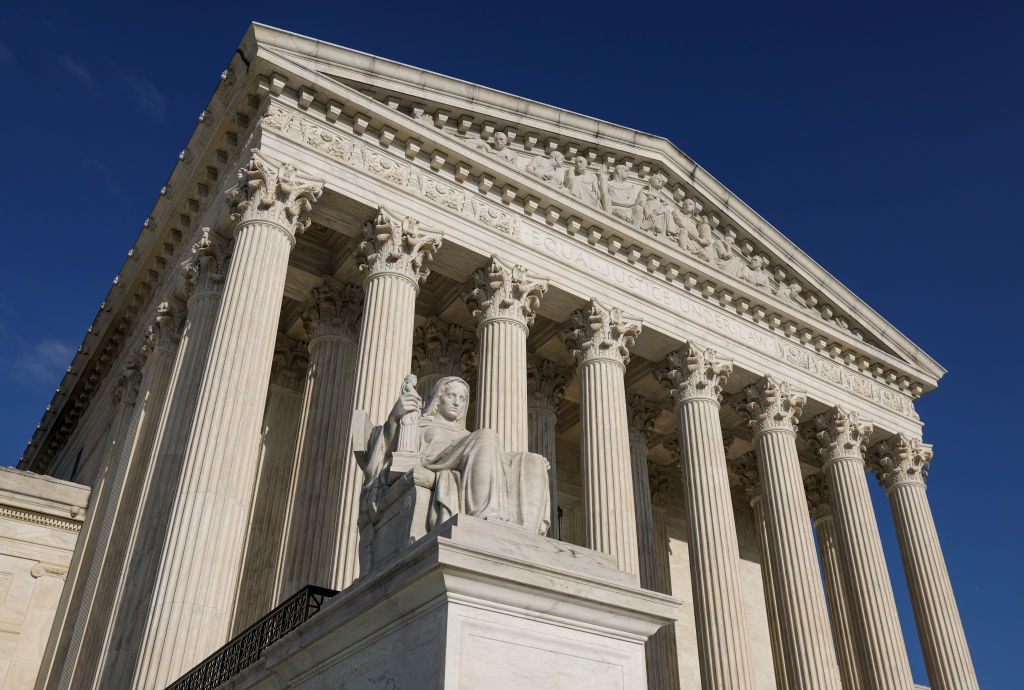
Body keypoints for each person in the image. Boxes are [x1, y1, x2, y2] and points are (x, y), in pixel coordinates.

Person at [364, 376, 551, 535]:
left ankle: (525, 535)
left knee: (532, 461)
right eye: (452, 396)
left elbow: (495, 462)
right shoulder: (419, 423)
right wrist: (395, 417)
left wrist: (521, 460)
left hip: (463, 467)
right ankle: (485, 516)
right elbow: (385, 451)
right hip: (436, 464)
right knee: (486, 435)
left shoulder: (468, 437)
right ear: (438, 398)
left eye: (462, 399)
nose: (457, 403)